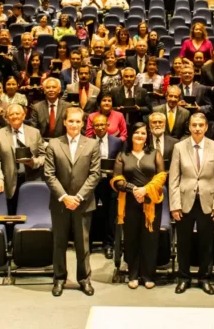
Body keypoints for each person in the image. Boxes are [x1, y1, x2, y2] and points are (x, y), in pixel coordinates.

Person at [44, 107, 101, 297]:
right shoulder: (54, 143)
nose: (74, 124)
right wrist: (64, 197)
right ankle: (59, 278)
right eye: (71, 121)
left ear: (83, 123)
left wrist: (78, 197)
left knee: (83, 244)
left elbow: (95, 174)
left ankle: (84, 279)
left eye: (78, 121)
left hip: (83, 203)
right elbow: (49, 174)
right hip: (60, 203)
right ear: (64, 122)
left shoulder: (92, 144)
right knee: (59, 243)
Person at [169, 113, 214, 295]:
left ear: (206, 127)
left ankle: (204, 278)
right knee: (183, 242)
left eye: (201, 125)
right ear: (189, 127)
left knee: (206, 243)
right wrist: (174, 205)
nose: (198, 128)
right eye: (194, 125)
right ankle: (183, 278)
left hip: (208, 201)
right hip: (184, 201)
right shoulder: (179, 147)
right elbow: (174, 178)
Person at [110, 122, 166, 289]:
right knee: (131, 238)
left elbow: (161, 176)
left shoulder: (155, 154)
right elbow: (116, 179)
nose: (140, 136)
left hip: (151, 202)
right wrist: (134, 189)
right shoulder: (123, 155)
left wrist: (145, 190)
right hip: (130, 201)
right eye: (136, 133)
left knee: (150, 239)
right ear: (131, 135)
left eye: (143, 133)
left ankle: (148, 275)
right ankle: (133, 274)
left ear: (147, 136)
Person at [0, 104, 45, 215]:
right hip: (9, 181)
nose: (15, 116)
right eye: (11, 114)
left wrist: (34, 162)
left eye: (17, 113)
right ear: (7, 118)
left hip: (31, 178)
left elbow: (43, 156)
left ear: (23, 116)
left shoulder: (35, 132)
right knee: (11, 214)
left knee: (32, 213)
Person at [91, 113, 125, 259]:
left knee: (110, 215)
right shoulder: (87, 141)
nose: (100, 127)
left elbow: (122, 161)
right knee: (90, 214)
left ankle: (109, 245)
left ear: (107, 125)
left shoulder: (117, 142)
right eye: (97, 125)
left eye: (102, 124)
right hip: (92, 183)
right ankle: (88, 244)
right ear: (92, 127)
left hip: (110, 183)